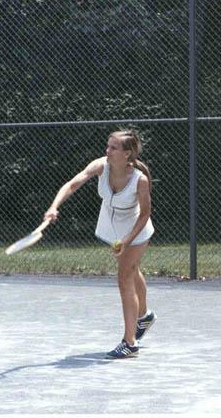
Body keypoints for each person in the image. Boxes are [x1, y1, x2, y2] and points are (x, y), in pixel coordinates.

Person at [44, 129, 156, 359]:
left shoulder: (140, 180)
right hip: (112, 221)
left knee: (124, 277)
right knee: (132, 271)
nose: (108, 151)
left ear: (127, 154)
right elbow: (72, 184)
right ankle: (144, 317)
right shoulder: (100, 166)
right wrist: (54, 206)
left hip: (136, 228)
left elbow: (145, 214)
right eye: (108, 146)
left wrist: (127, 241)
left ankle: (130, 342)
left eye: (113, 147)